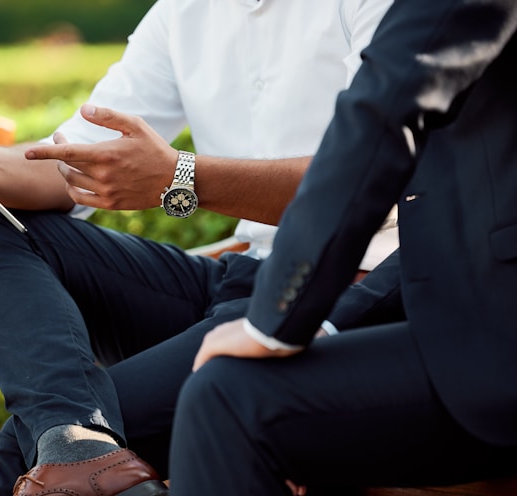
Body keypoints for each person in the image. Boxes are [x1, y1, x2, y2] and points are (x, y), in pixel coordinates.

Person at [0, 0, 395, 494]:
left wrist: (182, 177)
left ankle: (75, 445)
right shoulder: (182, 12)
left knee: (21, 457)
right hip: (241, 277)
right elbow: (76, 160)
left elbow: (369, 178)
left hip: (345, 291)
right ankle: (78, 441)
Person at [167, 0, 517, 494]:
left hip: (493, 346)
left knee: (226, 398)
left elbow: (381, 113)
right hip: (463, 324)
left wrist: (274, 322)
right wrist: (324, 321)